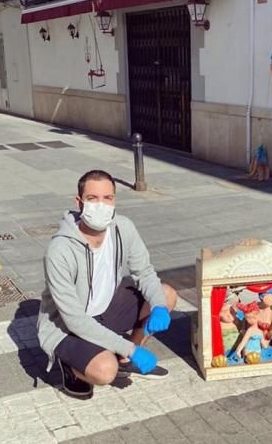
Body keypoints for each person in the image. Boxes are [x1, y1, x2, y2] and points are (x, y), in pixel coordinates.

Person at [37, 169, 177, 398]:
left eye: (107, 198)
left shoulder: (123, 228)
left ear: (114, 201)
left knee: (166, 294)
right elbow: (75, 320)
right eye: (93, 198)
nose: (101, 205)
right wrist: (132, 349)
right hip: (67, 327)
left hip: (106, 309)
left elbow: (144, 271)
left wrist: (159, 305)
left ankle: (123, 359)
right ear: (79, 202)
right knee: (104, 371)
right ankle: (72, 367)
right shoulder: (59, 250)